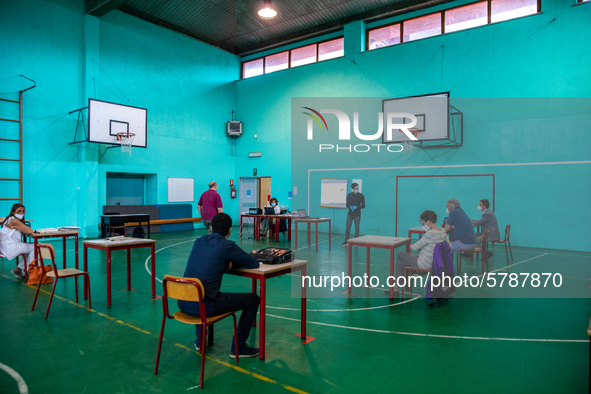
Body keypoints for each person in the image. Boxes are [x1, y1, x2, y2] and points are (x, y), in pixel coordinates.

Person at [178, 213, 260, 358]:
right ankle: (238, 348)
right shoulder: (227, 245)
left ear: (211, 227)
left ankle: (200, 340)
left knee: (199, 289)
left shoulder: (199, 241)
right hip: (207, 306)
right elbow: (253, 263)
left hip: (184, 302)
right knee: (253, 299)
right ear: (230, 230)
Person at [392, 210, 450, 294]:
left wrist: (409, 245)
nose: (423, 225)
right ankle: (395, 288)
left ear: (429, 222)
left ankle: (396, 287)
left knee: (400, 254)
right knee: (400, 264)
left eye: (423, 223)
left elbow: (415, 247)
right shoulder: (443, 232)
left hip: (424, 263)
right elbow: (449, 247)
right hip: (436, 263)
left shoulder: (430, 234)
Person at [0, 204, 35, 280]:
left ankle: (19, 269)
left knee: (29, 250)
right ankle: (29, 272)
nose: (21, 213)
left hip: (5, 246)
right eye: (19, 211)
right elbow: (30, 231)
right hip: (11, 247)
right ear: (13, 212)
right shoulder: (14, 221)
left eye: (23, 211)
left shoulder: (7, 219)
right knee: (35, 248)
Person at [341, 183, 365, 247]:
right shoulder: (349, 195)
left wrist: (357, 207)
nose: (357, 189)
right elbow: (347, 205)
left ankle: (356, 241)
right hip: (350, 214)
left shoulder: (361, 195)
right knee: (348, 227)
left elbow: (363, 206)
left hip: (357, 214)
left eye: (357, 188)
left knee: (357, 228)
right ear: (353, 189)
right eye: (355, 188)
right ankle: (346, 241)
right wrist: (350, 207)